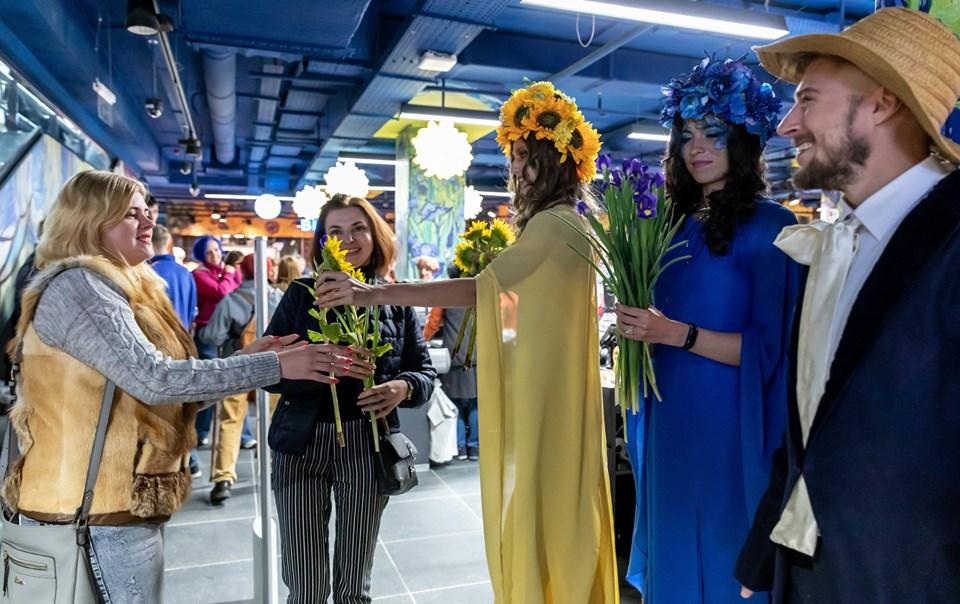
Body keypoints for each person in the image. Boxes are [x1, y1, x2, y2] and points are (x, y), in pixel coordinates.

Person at [2, 170, 372, 604]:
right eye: (131, 214)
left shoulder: (118, 286)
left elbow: (163, 384)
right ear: (89, 219)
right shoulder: (82, 288)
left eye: (146, 211)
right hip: (87, 510)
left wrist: (248, 360)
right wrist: (273, 364)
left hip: (110, 507)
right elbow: (156, 379)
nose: (148, 221)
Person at [315, 81, 618, 603]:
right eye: (514, 155)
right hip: (556, 387)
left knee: (546, 499)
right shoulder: (568, 223)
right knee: (556, 499)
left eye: (523, 156)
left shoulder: (555, 224)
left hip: (549, 393)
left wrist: (376, 292)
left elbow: (481, 289)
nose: (515, 168)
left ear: (550, 158)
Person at [735, 9, 960, 603]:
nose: (787, 124)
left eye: (808, 100)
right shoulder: (832, 242)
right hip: (811, 573)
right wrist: (765, 551)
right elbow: (813, 418)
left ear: (883, 104)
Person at [612, 59, 801, 603]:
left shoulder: (774, 227)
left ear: (741, 140)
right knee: (672, 539)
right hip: (667, 415)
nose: (696, 148)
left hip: (732, 423)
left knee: (726, 551)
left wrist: (677, 334)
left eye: (712, 133)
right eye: (686, 135)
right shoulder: (664, 225)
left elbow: (774, 351)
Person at [265, 194, 436, 604]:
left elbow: (425, 373)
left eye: (359, 228)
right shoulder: (302, 294)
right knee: (306, 587)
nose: (349, 239)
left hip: (366, 446)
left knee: (353, 587)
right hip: (301, 444)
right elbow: (267, 372)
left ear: (375, 235)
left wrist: (402, 388)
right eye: (335, 231)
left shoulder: (393, 298)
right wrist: (312, 365)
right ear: (323, 242)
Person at [198, 254, 284, 505]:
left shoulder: (230, 300)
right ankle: (273, 468)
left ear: (243, 272)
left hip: (238, 367)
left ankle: (223, 479)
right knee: (274, 418)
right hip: (275, 366)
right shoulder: (280, 298)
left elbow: (212, 336)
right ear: (268, 271)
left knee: (229, 420)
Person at [422, 265, 479, 461]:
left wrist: (422, 340)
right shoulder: (477, 293)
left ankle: (460, 448)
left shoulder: (446, 294)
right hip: (477, 354)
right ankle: (474, 448)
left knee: (454, 403)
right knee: (475, 403)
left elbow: (433, 322)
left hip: (454, 356)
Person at [191, 234, 243, 449]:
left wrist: (230, 272)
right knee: (210, 384)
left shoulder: (230, 271)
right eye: (208, 252)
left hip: (231, 333)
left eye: (216, 249)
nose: (214, 255)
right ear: (202, 256)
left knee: (235, 384)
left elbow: (238, 293)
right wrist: (229, 273)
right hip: (209, 335)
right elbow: (222, 293)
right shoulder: (199, 274)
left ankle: (242, 435)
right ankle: (201, 432)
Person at [149, 224, 197, 330]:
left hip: (156, 335)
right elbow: (192, 311)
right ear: (169, 243)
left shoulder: (148, 272)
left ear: (148, 242)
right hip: (182, 334)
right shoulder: (186, 273)